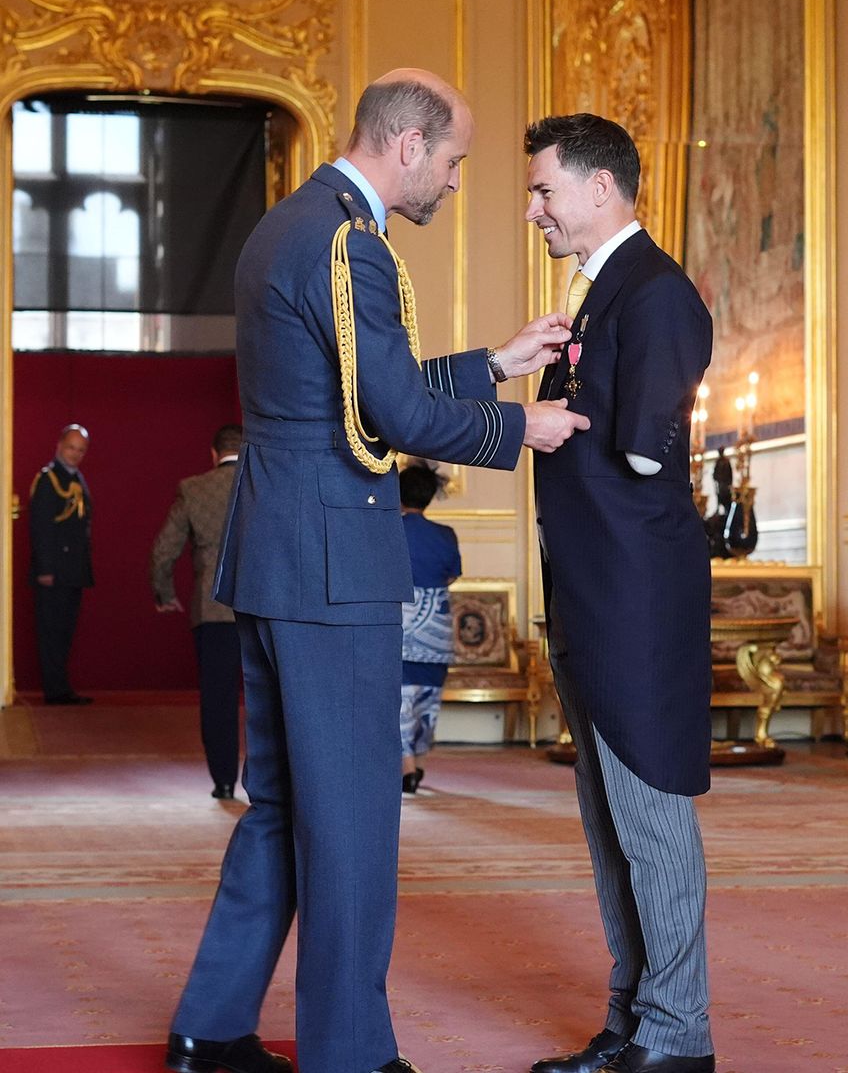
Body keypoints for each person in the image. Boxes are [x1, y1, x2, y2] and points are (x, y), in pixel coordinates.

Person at [165, 69, 588, 1073]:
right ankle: (349, 1055)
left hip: (272, 556)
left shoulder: (287, 226)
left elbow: (348, 394)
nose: (452, 182)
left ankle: (209, 1028)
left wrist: (491, 361)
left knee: (280, 810)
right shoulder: (354, 246)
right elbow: (391, 417)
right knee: (350, 821)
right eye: (451, 162)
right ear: (407, 147)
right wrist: (520, 423)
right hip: (333, 569)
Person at [520, 114, 715, 1073]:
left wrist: (547, 420)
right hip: (593, 586)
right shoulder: (601, 294)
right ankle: (634, 1017)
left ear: (602, 188)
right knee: (608, 819)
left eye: (544, 190)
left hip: (634, 593)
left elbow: (641, 445)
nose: (534, 210)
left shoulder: (657, 292)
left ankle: (680, 1036)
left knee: (649, 812)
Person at [151, 423, 245, 799]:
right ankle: (273, 785)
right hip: (269, 607)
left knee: (218, 698)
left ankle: (223, 781)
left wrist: (163, 593)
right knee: (271, 697)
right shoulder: (269, 483)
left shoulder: (193, 489)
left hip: (214, 609)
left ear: (213, 452)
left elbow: (162, 551)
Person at [398, 462, 461, 794]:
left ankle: (406, 768)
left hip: (399, 629)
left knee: (398, 700)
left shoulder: (389, 529)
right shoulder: (445, 535)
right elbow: (451, 575)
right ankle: (418, 764)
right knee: (428, 699)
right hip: (436, 631)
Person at [28, 424, 93, 705]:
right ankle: (55, 690)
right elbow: (41, 528)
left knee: (64, 631)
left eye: (80, 450)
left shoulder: (76, 478)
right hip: (54, 571)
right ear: (59, 446)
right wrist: (45, 569)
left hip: (72, 570)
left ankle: (61, 686)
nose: (75, 454)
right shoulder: (48, 479)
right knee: (52, 631)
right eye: (71, 447)